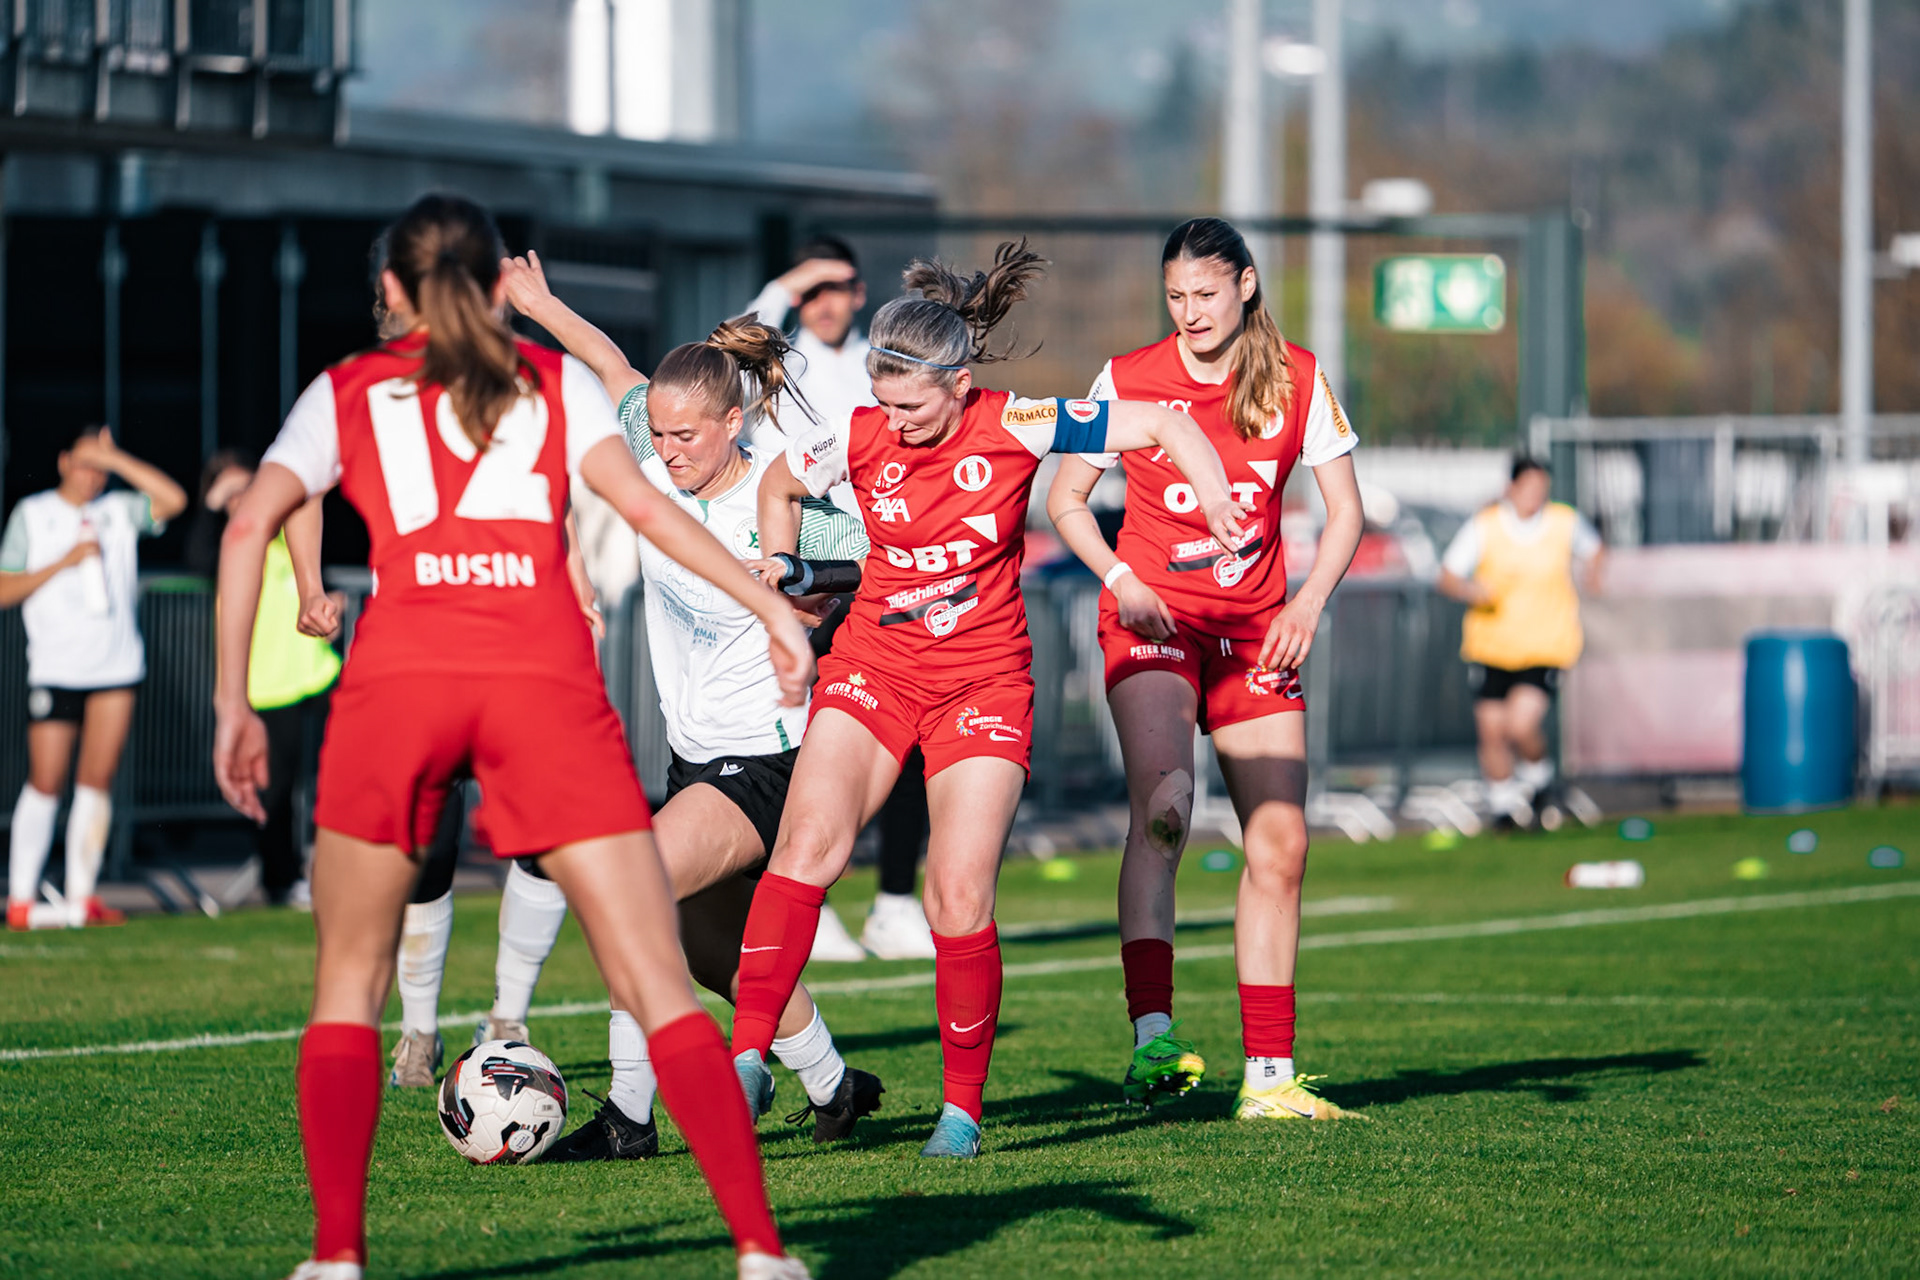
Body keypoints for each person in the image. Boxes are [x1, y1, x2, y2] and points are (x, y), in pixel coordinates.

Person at [211, 194, 812, 1280]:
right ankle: (761, 1252)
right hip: (538, 679)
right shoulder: (553, 385)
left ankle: (337, 1256)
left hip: (402, 678)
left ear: (391, 289)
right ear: (498, 287)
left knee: (348, 983)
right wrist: (773, 606)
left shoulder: (349, 389)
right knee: (657, 978)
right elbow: (652, 513)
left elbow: (250, 519)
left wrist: (231, 701)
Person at [737, 240, 1246, 1159]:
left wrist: (1212, 494)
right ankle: (744, 1061)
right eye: (882, 403)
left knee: (956, 894)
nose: (892, 423)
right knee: (808, 847)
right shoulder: (857, 431)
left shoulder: (1021, 421)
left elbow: (1167, 425)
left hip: (982, 678)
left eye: (911, 405)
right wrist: (782, 568)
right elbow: (777, 481)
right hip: (875, 665)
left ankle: (962, 1112)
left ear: (961, 385)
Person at [423, 253, 884, 1158]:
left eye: (687, 438)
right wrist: (540, 303)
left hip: (774, 757)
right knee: (715, 952)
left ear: (734, 420)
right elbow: (611, 367)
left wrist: (803, 582)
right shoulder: (649, 442)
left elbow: (870, 562)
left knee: (631, 895)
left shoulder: (782, 493)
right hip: (693, 753)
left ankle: (629, 1119)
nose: (666, 452)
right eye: (659, 436)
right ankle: (836, 1089)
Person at [1046, 217, 1366, 1123]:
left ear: (1248, 286)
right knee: (1165, 813)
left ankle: (1268, 1079)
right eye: (1176, 297)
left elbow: (1344, 511)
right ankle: (1154, 1043)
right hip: (1153, 622)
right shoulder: (1131, 379)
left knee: (1282, 845)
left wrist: (1306, 605)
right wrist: (1119, 576)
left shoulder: (1300, 378)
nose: (1189, 313)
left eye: (1206, 294)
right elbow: (1066, 499)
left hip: (1256, 632)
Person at [749, 235, 935, 963]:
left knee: (911, 736)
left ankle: (894, 901)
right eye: (811, 292)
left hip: (883, 570)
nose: (825, 303)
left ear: (861, 293)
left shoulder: (879, 368)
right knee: (809, 741)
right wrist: (790, 280)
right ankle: (810, 896)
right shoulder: (780, 359)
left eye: (839, 287)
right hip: (806, 575)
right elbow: (737, 339)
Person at [2, 426, 186, 930]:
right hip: (57, 665)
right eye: (85, 463)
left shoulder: (117, 510)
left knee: (95, 781)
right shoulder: (33, 514)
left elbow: (173, 499)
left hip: (115, 664)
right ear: (62, 461)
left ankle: (81, 899)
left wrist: (117, 457)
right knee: (45, 782)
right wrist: (64, 562)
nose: (93, 475)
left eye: (99, 466)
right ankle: (20, 899)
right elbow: (3, 587)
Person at [188, 452, 341, 907]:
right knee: (274, 793)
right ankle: (281, 878)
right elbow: (198, 558)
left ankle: (331, 872)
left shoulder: (281, 540)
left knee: (332, 783)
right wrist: (214, 505)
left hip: (316, 677)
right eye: (232, 494)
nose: (244, 500)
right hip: (266, 687)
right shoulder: (227, 551)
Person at [1437, 456, 1604, 827]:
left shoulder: (1563, 522)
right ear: (1511, 488)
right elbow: (1447, 575)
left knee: (1520, 726)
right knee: (1492, 733)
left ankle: (1540, 781)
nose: (1535, 496)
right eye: (1528, 487)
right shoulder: (1486, 526)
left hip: (1544, 644)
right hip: (1491, 645)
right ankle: (1505, 812)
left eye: (1540, 489)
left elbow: (1595, 550)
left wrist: (1593, 577)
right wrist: (1470, 589)